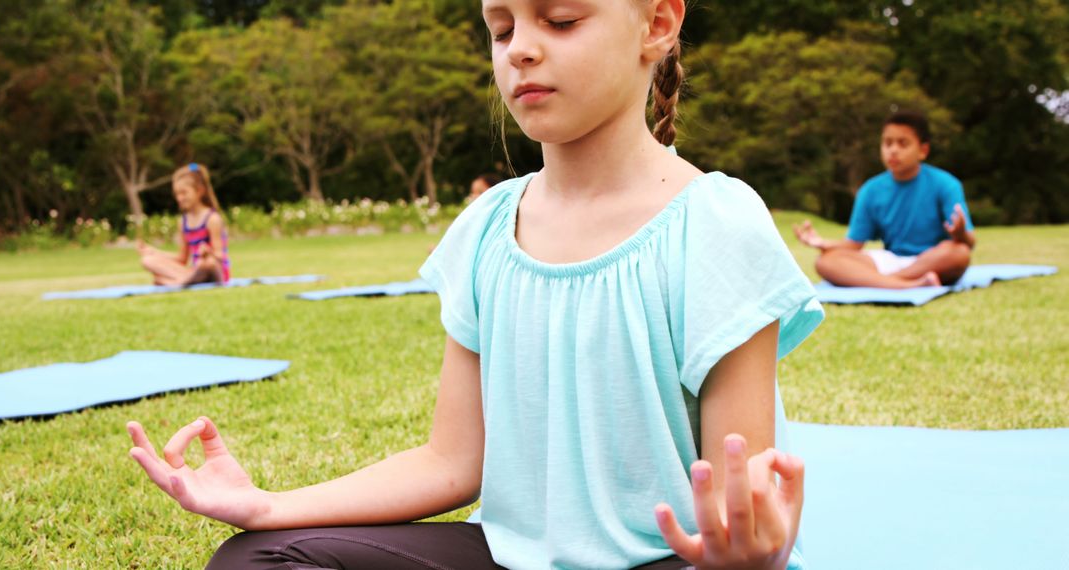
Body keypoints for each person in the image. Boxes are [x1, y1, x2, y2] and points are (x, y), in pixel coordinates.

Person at [125, 1, 823, 568]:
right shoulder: (488, 227)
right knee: (255, 559)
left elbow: (745, 495)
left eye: (560, 21)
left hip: (674, 560)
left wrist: (748, 553)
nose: (519, 48)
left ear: (658, 25)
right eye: (501, 27)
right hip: (506, 555)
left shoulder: (713, 222)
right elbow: (452, 461)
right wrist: (269, 505)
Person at [794, 110, 976, 289]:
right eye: (888, 143)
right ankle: (908, 285)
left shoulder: (946, 184)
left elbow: (969, 242)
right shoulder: (870, 190)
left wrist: (960, 233)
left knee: (959, 252)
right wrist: (824, 244)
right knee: (826, 261)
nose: (893, 150)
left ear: (923, 150)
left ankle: (884, 282)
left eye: (903, 144)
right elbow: (854, 244)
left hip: (931, 259)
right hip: (890, 259)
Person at [136, 163, 231, 286]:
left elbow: (220, 256)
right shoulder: (183, 222)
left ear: (200, 191)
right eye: (177, 194)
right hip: (195, 272)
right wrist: (154, 252)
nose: (179, 198)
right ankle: (182, 281)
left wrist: (208, 252)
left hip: (213, 270)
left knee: (208, 263)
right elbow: (182, 258)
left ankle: (177, 282)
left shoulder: (212, 219)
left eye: (184, 193)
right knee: (148, 261)